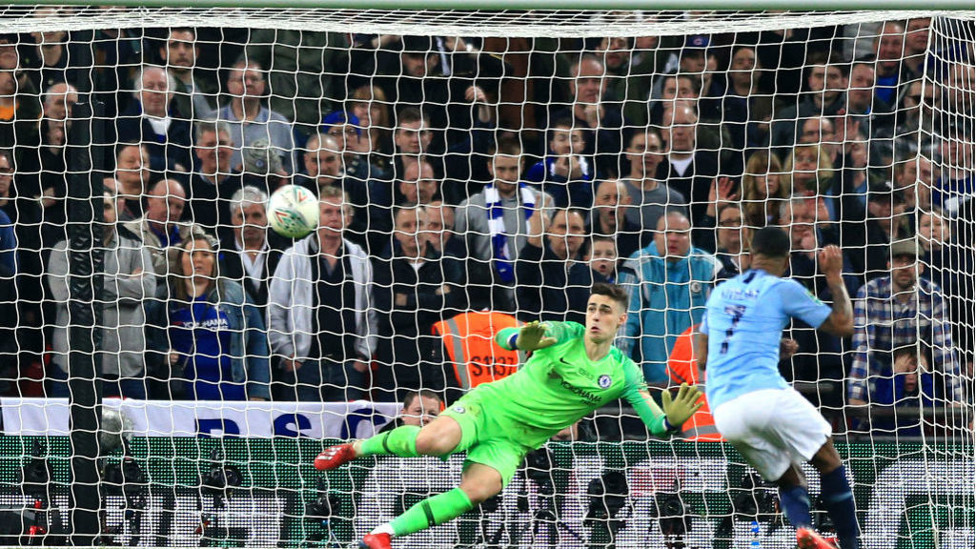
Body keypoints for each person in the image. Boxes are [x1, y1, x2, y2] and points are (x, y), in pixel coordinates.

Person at [315, 283, 704, 549]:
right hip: (489, 407)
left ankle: (383, 534)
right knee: (431, 441)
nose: (595, 316)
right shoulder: (564, 333)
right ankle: (355, 447)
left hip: (514, 441)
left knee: (478, 490)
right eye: (592, 308)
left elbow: (656, 424)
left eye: (605, 311)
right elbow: (504, 337)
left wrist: (672, 422)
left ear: (621, 320)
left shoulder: (625, 373)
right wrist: (520, 339)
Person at [697, 227, 860, 549]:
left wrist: (771, 344)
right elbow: (843, 326)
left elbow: (703, 357)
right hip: (764, 394)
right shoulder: (782, 287)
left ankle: (803, 528)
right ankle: (851, 544)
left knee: (788, 475)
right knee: (828, 459)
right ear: (786, 260)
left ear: (751, 254)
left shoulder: (721, 291)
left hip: (725, 412)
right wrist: (834, 276)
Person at [267, 186, 376, 402]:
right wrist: (289, 355)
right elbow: (275, 311)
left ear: (349, 218)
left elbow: (371, 313)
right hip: (304, 368)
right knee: (303, 434)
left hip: (347, 368)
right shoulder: (293, 257)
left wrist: (364, 355)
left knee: (347, 435)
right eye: (328, 212)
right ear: (316, 216)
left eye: (340, 212)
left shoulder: (360, 259)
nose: (335, 218)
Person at [47, 190, 156, 399]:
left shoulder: (136, 249)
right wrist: (125, 285)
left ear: (117, 210)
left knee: (136, 431)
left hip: (126, 370)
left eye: (106, 207)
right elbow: (64, 294)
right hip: (73, 368)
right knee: (63, 431)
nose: (100, 213)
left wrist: (87, 282)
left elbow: (148, 289)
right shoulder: (62, 250)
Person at [618, 210, 724, 383]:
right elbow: (623, 325)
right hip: (651, 382)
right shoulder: (637, 266)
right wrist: (622, 374)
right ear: (655, 236)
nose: (673, 238)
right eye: (666, 232)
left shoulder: (710, 267)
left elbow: (723, 322)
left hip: (700, 381)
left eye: (681, 233)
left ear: (690, 237)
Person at [163, 233, 270, 401]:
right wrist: (161, 353)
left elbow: (258, 340)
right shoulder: (164, 298)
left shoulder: (236, 294)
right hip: (182, 397)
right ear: (180, 261)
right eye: (192, 254)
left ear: (214, 261)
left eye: (205, 255)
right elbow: (147, 338)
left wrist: (259, 391)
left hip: (232, 393)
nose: (198, 260)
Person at [379, 390, 444, 433]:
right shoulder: (385, 440)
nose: (425, 418)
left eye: (432, 414)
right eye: (419, 411)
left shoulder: (447, 442)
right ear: (404, 415)